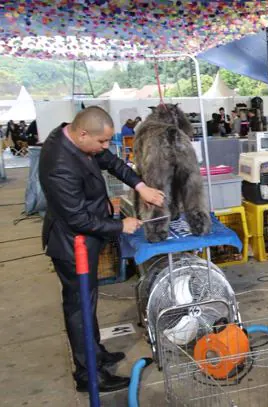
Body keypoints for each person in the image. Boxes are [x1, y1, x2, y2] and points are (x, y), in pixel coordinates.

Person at [39, 106, 165, 392]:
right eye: (102, 142)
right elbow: (77, 219)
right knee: (79, 308)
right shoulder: (58, 162)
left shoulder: (77, 138)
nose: (105, 148)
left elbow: (110, 161)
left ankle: (96, 354)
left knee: (88, 302)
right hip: (72, 244)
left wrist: (141, 185)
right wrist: (120, 226)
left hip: (85, 239)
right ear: (83, 134)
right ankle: (88, 375)